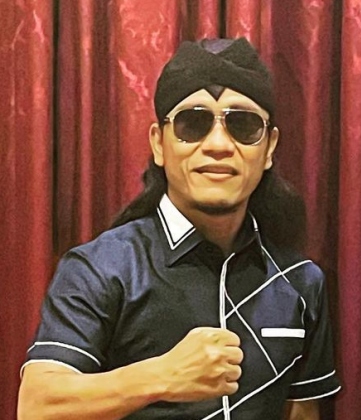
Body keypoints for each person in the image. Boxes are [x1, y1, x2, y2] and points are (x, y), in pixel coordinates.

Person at [17, 38, 340, 420]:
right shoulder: (101, 268)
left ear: (269, 147)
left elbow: (302, 413)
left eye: (243, 125)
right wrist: (162, 377)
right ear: (159, 143)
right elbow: (37, 406)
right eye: (193, 123)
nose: (218, 144)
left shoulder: (301, 282)